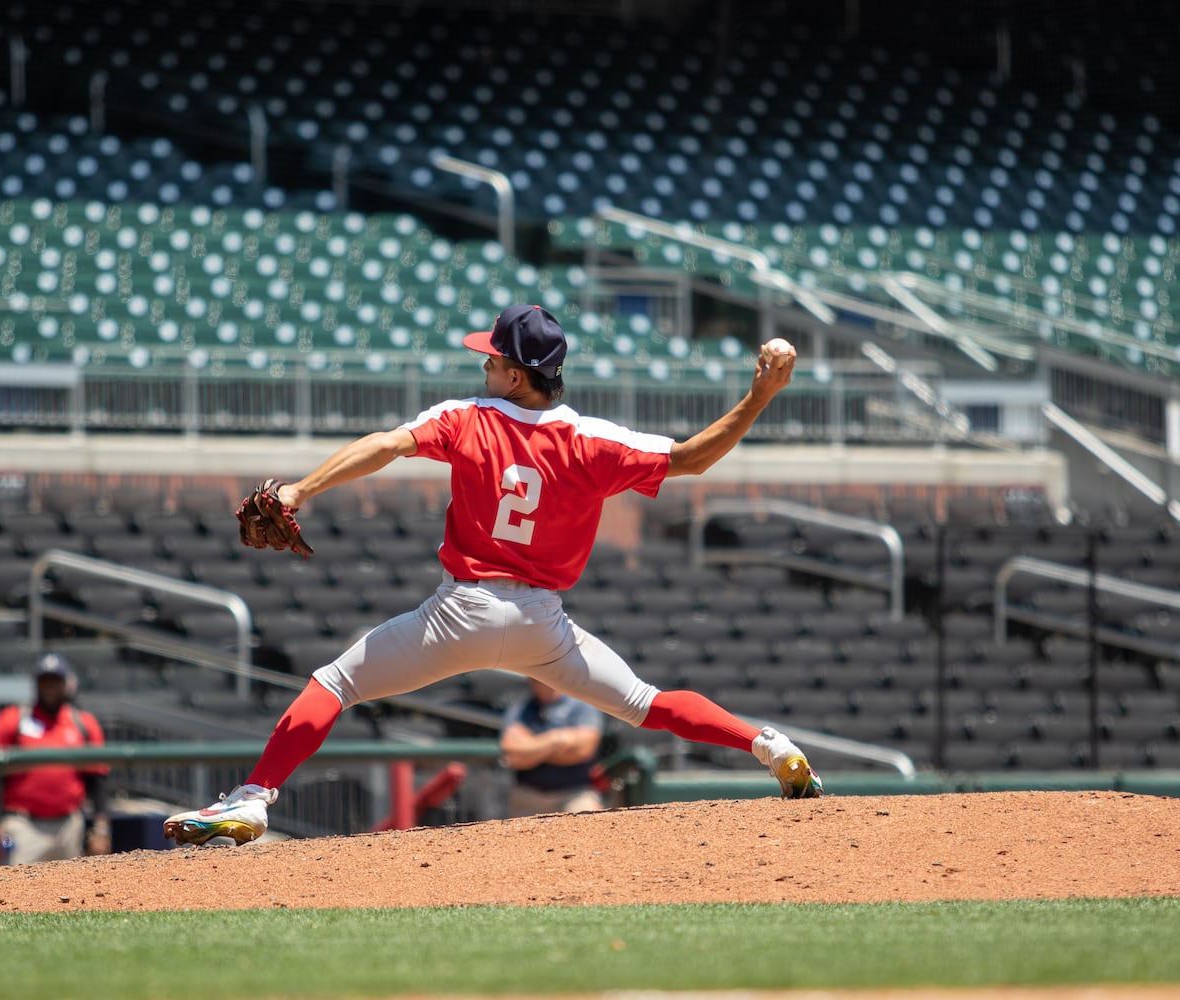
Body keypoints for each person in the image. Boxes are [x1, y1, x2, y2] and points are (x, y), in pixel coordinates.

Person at [164, 304, 820, 847]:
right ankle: (768, 744)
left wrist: (300, 490)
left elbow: (387, 443)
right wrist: (759, 396)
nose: (483, 366)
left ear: (514, 374)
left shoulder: (469, 419)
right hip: (541, 623)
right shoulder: (592, 440)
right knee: (645, 703)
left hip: (462, 612)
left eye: (491, 359)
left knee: (333, 684)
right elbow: (692, 459)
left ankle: (252, 801)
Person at [0, 653, 111, 864]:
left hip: (68, 824)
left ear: (66, 684)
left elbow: (97, 779)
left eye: (55, 681)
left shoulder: (82, 723)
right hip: (23, 823)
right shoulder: (13, 719)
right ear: (36, 684)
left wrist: (101, 828)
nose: (50, 688)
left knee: (71, 891)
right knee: (15, 890)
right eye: (45, 681)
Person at [499, 677, 607, 817]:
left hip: (575, 794)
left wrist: (530, 746)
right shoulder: (520, 709)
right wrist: (556, 741)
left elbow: (584, 750)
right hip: (529, 795)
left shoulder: (580, 704)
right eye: (536, 677)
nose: (542, 680)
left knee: (590, 818)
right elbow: (513, 756)